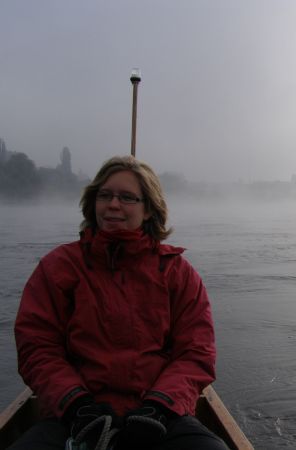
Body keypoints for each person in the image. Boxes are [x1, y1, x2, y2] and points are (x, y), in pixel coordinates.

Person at [11, 156, 229, 450]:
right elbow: (37, 347)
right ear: (93, 202)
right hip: (75, 416)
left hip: (160, 415)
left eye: (127, 197)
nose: (113, 204)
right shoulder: (58, 268)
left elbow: (195, 352)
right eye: (105, 195)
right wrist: (77, 406)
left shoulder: (177, 273)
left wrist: (159, 408)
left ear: (149, 209)